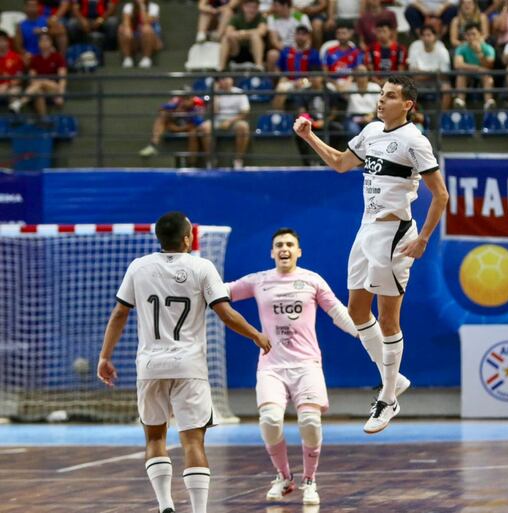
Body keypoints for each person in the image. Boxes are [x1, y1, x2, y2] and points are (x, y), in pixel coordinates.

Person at [293, 75, 449, 433]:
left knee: (389, 318)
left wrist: (423, 238)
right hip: (367, 229)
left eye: (390, 96)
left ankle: (388, 397)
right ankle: (394, 378)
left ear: (408, 104)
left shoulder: (415, 141)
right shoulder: (372, 131)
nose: (382, 100)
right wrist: (308, 136)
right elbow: (340, 163)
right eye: (381, 94)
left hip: (394, 235)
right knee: (357, 311)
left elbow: (440, 195)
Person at [97, 211, 271, 513]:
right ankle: (199, 510)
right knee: (193, 442)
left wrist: (104, 356)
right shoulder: (202, 267)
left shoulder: (138, 267)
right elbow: (226, 313)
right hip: (189, 367)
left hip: (150, 366)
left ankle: (165, 505)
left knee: (154, 438)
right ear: (188, 238)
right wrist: (256, 335)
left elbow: (119, 314)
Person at [226, 227, 358, 505]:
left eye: (289, 244)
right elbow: (221, 293)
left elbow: (338, 312)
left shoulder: (312, 280)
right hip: (271, 366)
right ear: (271, 252)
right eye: (278, 245)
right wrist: (190, 286)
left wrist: (365, 333)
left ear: (299, 251)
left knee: (310, 421)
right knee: (270, 420)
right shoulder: (258, 281)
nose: (284, 249)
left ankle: (309, 481)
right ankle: (284, 478)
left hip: (306, 365)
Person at [194, 76, 250, 169]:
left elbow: (245, 112)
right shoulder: (215, 93)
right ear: (218, 82)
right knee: (205, 128)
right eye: (223, 79)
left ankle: (238, 160)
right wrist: (215, 94)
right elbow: (214, 112)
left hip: (234, 120)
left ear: (232, 80)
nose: (226, 81)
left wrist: (229, 121)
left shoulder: (239, 93)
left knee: (243, 127)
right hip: (217, 120)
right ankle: (211, 160)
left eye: (228, 78)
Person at [12, 32, 67, 116]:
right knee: (38, 92)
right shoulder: (35, 59)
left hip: (54, 87)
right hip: (38, 87)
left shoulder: (58, 57)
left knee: (41, 82)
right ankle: (44, 119)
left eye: (46, 40)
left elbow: (62, 78)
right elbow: (32, 79)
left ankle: (20, 102)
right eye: (41, 40)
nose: (44, 43)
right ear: (38, 43)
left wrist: (60, 95)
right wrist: (38, 83)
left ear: (51, 42)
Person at [138, 94, 206, 158]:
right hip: (173, 126)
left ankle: (192, 164)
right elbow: (161, 110)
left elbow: (195, 125)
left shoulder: (197, 106)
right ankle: (153, 145)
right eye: (184, 98)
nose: (186, 101)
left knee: (193, 132)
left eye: (188, 98)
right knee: (162, 117)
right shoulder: (176, 103)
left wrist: (176, 128)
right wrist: (174, 112)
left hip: (188, 128)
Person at [453, 22, 497, 110]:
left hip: (483, 74)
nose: (471, 37)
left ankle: (488, 102)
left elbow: (490, 65)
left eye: (474, 34)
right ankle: (460, 102)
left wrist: (479, 53)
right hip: (469, 73)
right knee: (461, 73)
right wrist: (477, 68)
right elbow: (458, 64)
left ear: (480, 35)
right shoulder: (461, 48)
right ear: (465, 36)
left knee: (487, 74)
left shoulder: (488, 48)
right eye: (468, 35)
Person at [219, 0, 267, 71]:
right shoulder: (236, 18)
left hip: (252, 52)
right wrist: (246, 34)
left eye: (255, 7)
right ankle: (220, 68)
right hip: (236, 51)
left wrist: (243, 33)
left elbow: (262, 31)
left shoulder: (261, 18)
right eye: (249, 7)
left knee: (256, 37)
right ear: (243, 7)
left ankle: (259, 66)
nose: (252, 10)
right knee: (226, 38)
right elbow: (229, 32)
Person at [118, 0, 162, 68]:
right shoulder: (128, 7)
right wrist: (127, 29)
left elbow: (145, 22)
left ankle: (146, 58)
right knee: (122, 29)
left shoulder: (154, 7)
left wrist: (141, 6)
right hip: (134, 40)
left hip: (151, 41)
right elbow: (126, 22)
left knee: (146, 29)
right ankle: (127, 58)